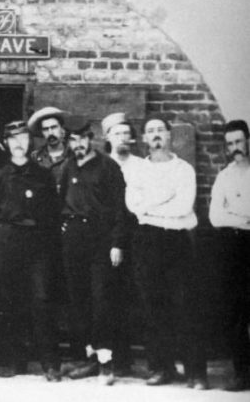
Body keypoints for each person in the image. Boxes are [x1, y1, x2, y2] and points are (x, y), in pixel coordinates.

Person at [126, 115, 208, 389]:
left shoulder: (183, 169)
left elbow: (183, 206)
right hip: (147, 241)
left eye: (161, 129)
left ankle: (196, 372)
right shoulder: (137, 170)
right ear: (144, 139)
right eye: (151, 131)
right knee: (152, 307)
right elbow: (133, 205)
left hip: (177, 240)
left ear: (170, 135)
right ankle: (162, 368)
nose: (157, 135)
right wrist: (163, 197)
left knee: (185, 306)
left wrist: (150, 205)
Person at [0, 120, 62, 382]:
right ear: (6, 143)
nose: (18, 143)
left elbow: (53, 215)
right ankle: (16, 361)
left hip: (37, 244)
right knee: (12, 301)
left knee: (41, 301)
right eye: (12, 138)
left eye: (22, 137)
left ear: (29, 141)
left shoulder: (43, 175)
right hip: (8, 242)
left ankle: (50, 363)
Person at [58, 115, 128, 386]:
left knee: (101, 301)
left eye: (82, 139)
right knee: (79, 301)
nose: (78, 144)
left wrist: (117, 242)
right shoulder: (67, 167)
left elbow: (121, 208)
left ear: (90, 138)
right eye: (73, 140)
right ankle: (89, 357)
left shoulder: (108, 167)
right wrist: (64, 229)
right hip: (74, 240)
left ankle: (106, 363)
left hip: (101, 240)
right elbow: (61, 201)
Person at [101, 112, 145, 376]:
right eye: (116, 133)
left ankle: (148, 357)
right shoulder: (102, 165)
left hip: (139, 234)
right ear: (107, 137)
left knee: (137, 294)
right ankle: (118, 357)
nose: (122, 138)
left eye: (126, 133)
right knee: (111, 296)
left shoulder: (141, 165)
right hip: (111, 239)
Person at [209, 119, 250, 391]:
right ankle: (243, 373)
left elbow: (227, 214)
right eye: (230, 144)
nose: (235, 148)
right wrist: (244, 218)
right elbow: (215, 216)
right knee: (237, 313)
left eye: (239, 141)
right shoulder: (224, 176)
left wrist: (233, 215)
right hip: (235, 248)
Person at [28, 107, 73, 192]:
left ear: (62, 129)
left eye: (54, 127)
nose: (50, 133)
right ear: (42, 132)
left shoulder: (72, 155)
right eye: (46, 129)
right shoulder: (35, 158)